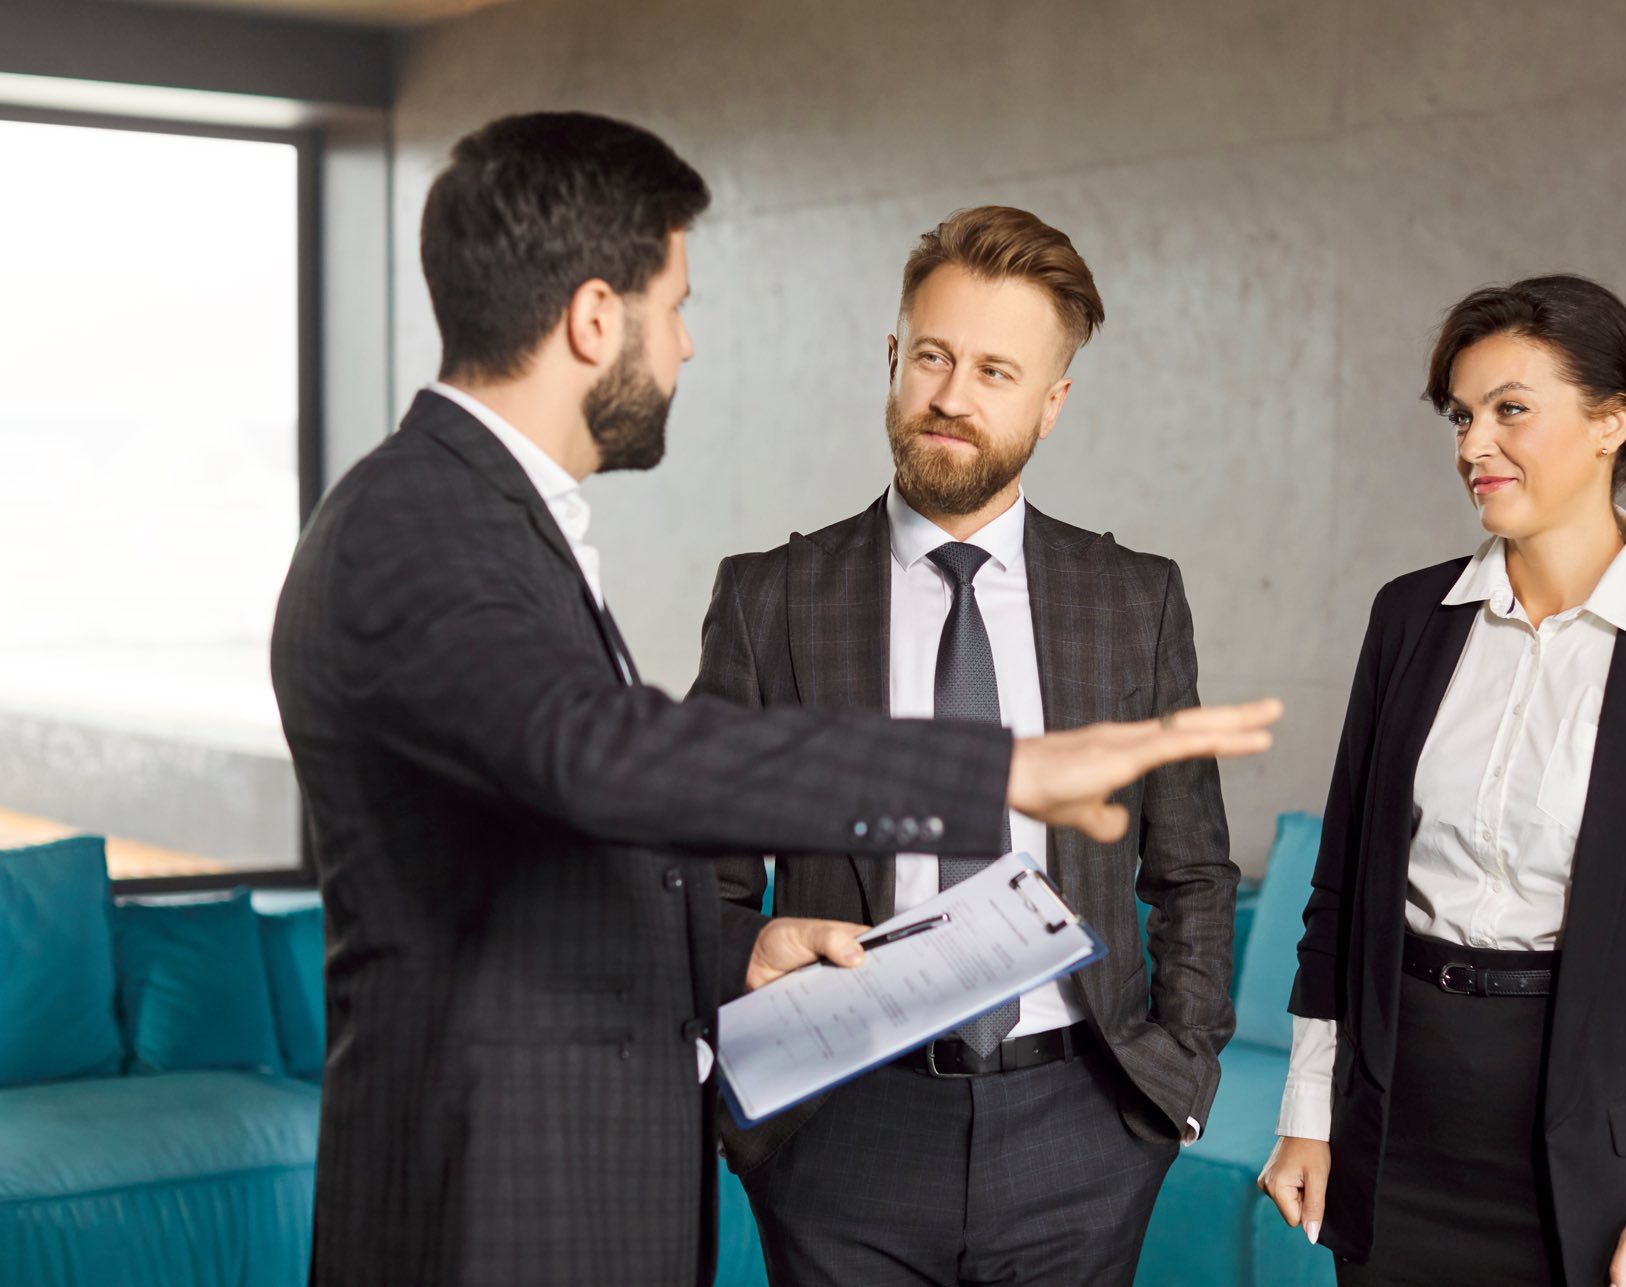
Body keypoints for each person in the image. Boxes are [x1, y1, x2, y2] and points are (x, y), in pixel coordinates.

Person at [269, 112, 1280, 1287]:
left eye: (997, 369)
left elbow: (589, 828)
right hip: (514, 1186)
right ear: (599, 319)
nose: (688, 347)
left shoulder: (471, 515)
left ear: (1052, 399)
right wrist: (991, 772)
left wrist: (743, 953)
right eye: (678, 305)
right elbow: (603, 757)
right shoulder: (424, 525)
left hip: (1053, 1134)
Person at [692, 205, 1239, 1287]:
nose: (951, 396)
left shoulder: (1136, 601)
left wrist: (1173, 1087)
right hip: (840, 1125)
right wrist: (741, 1103)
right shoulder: (770, 601)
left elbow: (1193, 871)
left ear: (1051, 404)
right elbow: (700, 883)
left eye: (996, 371)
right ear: (893, 361)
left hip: (1081, 1125)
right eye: (933, 357)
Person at [1257, 274, 1626, 1287]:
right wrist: (1308, 1116)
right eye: (1461, 415)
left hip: (1587, 1150)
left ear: (1609, 423)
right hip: (1392, 1120)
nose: (1471, 447)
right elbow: (1339, 898)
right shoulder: (1409, 620)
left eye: (1510, 411)